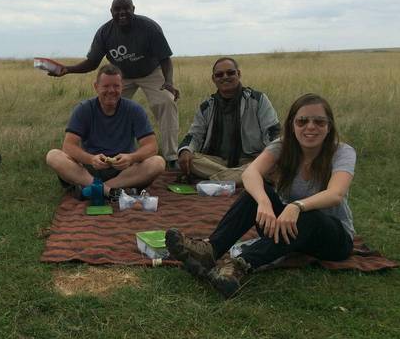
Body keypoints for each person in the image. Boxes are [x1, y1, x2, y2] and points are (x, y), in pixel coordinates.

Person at [165, 94, 356, 298]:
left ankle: (237, 267)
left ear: (329, 126)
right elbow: (250, 173)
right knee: (255, 193)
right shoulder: (283, 146)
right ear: (292, 124)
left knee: (311, 215)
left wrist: (296, 206)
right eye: (302, 121)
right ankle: (210, 251)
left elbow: (336, 194)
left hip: (332, 238)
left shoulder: (342, 152)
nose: (310, 127)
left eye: (319, 121)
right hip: (288, 229)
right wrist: (263, 202)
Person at [50, 0, 180, 167]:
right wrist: (68, 70)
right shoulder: (105, 33)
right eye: (117, 9)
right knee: (103, 106)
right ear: (111, 12)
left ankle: (171, 157)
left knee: (166, 102)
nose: (122, 13)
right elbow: (93, 63)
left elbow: (165, 58)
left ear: (133, 9)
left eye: (126, 8)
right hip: (121, 77)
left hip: (150, 72)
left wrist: (169, 82)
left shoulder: (149, 27)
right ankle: (90, 155)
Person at [45, 65, 166, 199]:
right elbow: (68, 146)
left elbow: (151, 146)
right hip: (89, 169)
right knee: (53, 156)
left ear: (122, 87)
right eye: (106, 86)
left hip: (124, 171)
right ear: (96, 87)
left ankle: (94, 189)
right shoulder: (83, 109)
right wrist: (90, 159)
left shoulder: (134, 110)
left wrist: (131, 157)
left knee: (158, 163)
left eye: (116, 86)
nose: (111, 90)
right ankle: (110, 191)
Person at [177, 57, 280, 184]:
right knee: (190, 159)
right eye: (219, 75)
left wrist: (267, 156)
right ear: (213, 79)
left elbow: (273, 132)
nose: (225, 77)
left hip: (250, 159)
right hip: (216, 160)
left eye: (230, 73)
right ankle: (242, 177)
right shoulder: (207, 106)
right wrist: (185, 150)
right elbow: (194, 136)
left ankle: (220, 179)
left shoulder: (258, 100)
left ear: (239, 74)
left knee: (273, 165)